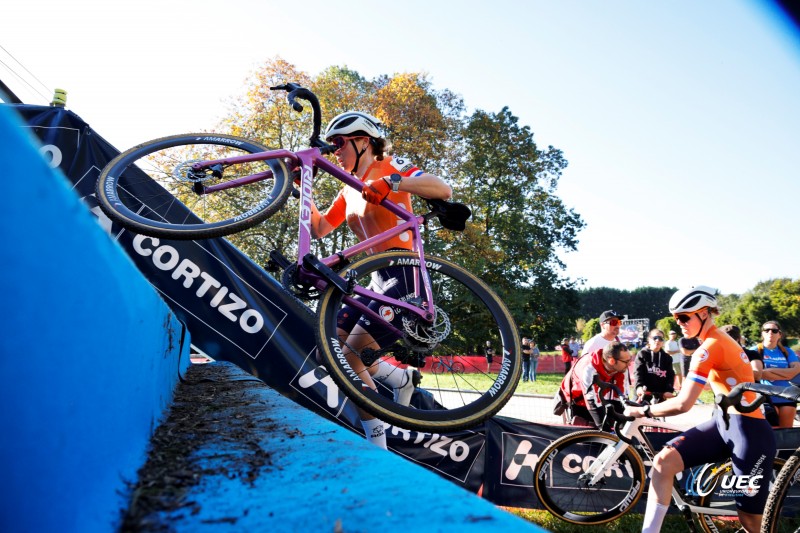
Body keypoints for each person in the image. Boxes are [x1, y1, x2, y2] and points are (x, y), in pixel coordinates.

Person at [309, 110, 452, 448]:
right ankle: (399, 377)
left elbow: (442, 189)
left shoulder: (390, 166)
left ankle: (378, 446)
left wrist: (395, 182)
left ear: (363, 141)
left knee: (351, 355)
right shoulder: (348, 191)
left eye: (340, 144)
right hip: (375, 280)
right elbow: (319, 229)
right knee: (326, 352)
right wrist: (304, 191)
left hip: (404, 277)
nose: (336, 152)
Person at [624, 286, 776, 533]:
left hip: (749, 432)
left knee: (751, 522)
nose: (680, 323)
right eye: (676, 318)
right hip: (723, 423)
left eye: (685, 316)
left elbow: (684, 404)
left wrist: (642, 412)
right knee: (663, 463)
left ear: (705, 313)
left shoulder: (710, 347)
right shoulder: (712, 343)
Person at [559, 341, 632, 430]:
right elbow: (592, 401)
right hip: (579, 400)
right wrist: (606, 432)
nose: (629, 364)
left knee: (618, 429)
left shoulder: (622, 367)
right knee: (593, 435)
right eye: (626, 361)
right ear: (612, 361)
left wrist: (624, 426)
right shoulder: (589, 368)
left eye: (630, 359)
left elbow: (621, 396)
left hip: (599, 396)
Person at [750, 320, 800, 428]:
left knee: (786, 434)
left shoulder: (787, 351)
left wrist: (768, 371)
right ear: (762, 333)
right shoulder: (754, 351)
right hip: (767, 397)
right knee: (772, 433)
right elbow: (758, 375)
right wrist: (786, 373)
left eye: (774, 330)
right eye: (766, 330)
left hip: (787, 396)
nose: (770, 333)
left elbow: (795, 371)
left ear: (780, 334)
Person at [633, 328, 676, 403]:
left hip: (660, 395)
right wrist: (639, 387)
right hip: (643, 394)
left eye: (660, 339)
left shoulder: (667, 358)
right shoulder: (642, 354)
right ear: (649, 340)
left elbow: (670, 376)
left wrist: (669, 390)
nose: (657, 340)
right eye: (655, 338)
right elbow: (638, 373)